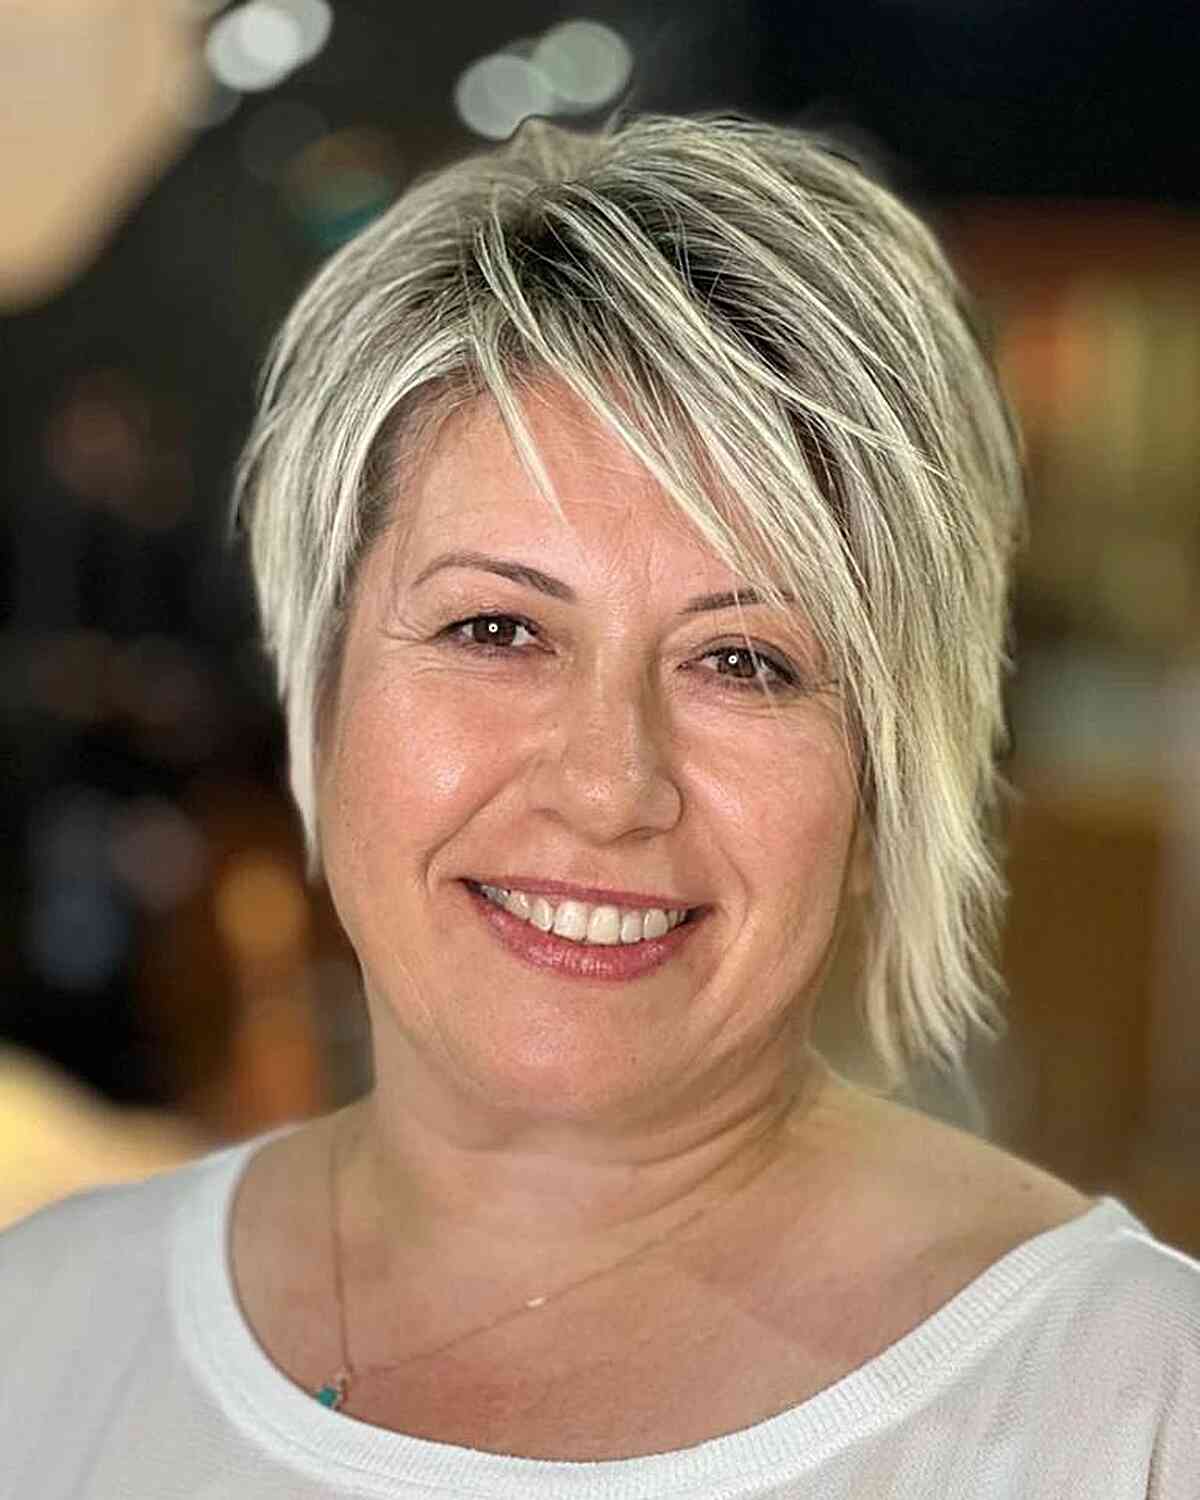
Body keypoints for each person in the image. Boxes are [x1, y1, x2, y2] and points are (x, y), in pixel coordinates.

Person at [2, 112, 1197, 1497]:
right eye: (497, 630)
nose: (609, 786)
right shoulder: (43, 1334)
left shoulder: (1131, 1411)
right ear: (320, 683)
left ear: (886, 775)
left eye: (745, 662)